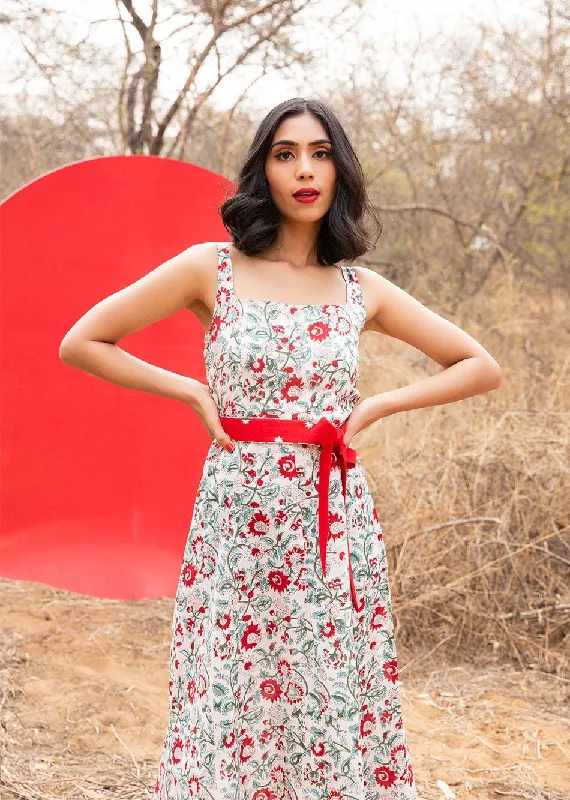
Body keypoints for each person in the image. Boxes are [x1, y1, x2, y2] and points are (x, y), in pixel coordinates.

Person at [60, 97, 501, 800]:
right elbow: (82, 340)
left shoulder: (362, 290)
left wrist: (381, 404)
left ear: (340, 173)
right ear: (262, 170)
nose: (304, 170)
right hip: (239, 518)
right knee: (237, 687)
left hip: (331, 518)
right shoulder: (212, 268)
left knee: (325, 683)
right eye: (285, 153)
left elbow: (479, 364)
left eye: (320, 154)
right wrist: (191, 392)